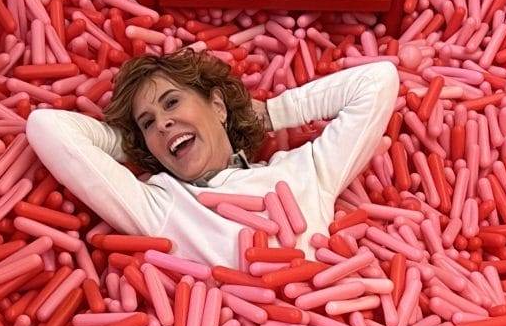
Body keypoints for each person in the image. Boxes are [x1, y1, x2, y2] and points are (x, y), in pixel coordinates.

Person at [26, 48, 399, 267]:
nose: (163, 122)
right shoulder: (162, 203)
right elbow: (46, 127)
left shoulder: (306, 170)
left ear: (217, 105)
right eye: (148, 122)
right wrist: (135, 145)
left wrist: (271, 113)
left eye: (171, 102)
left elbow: (378, 81)